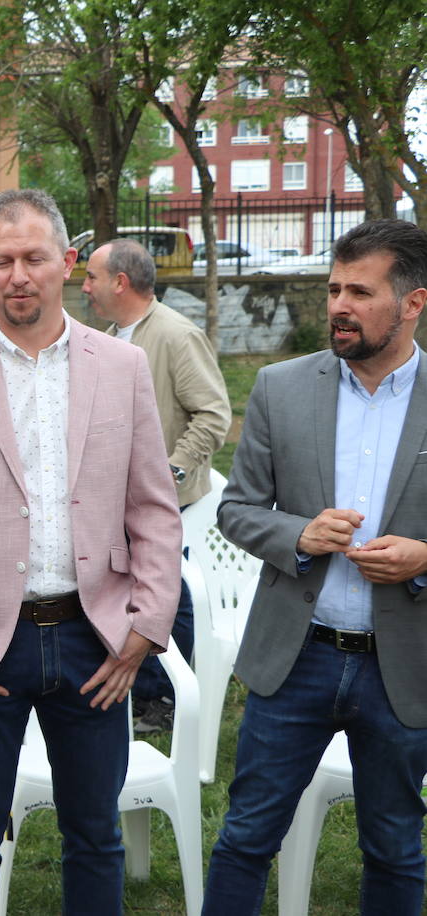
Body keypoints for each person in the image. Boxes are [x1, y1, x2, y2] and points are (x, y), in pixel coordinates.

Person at [0, 188, 181, 915]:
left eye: (34, 259)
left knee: (94, 834)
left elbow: (153, 507)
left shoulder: (122, 366)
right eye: (0, 261)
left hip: (96, 639)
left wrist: (146, 627)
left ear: (67, 261)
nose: (18, 276)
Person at [204, 219, 427, 912]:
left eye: (360, 292)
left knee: (394, 847)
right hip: (293, 659)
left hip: (403, 665)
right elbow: (236, 509)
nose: (339, 306)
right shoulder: (279, 386)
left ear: (413, 302)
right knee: (245, 837)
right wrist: (301, 534)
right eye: (334, 289)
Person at [83, 238, 231, 731]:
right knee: (129, 594)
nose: (83, 287)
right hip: (116, 503)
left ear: (119, 283)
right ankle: (130, 687)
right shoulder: (110, 335)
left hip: (167, 503)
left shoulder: (174, 335)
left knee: (172, 596)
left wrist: (170, 473)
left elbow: (213, 415)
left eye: (90, 277)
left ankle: (165, 700)